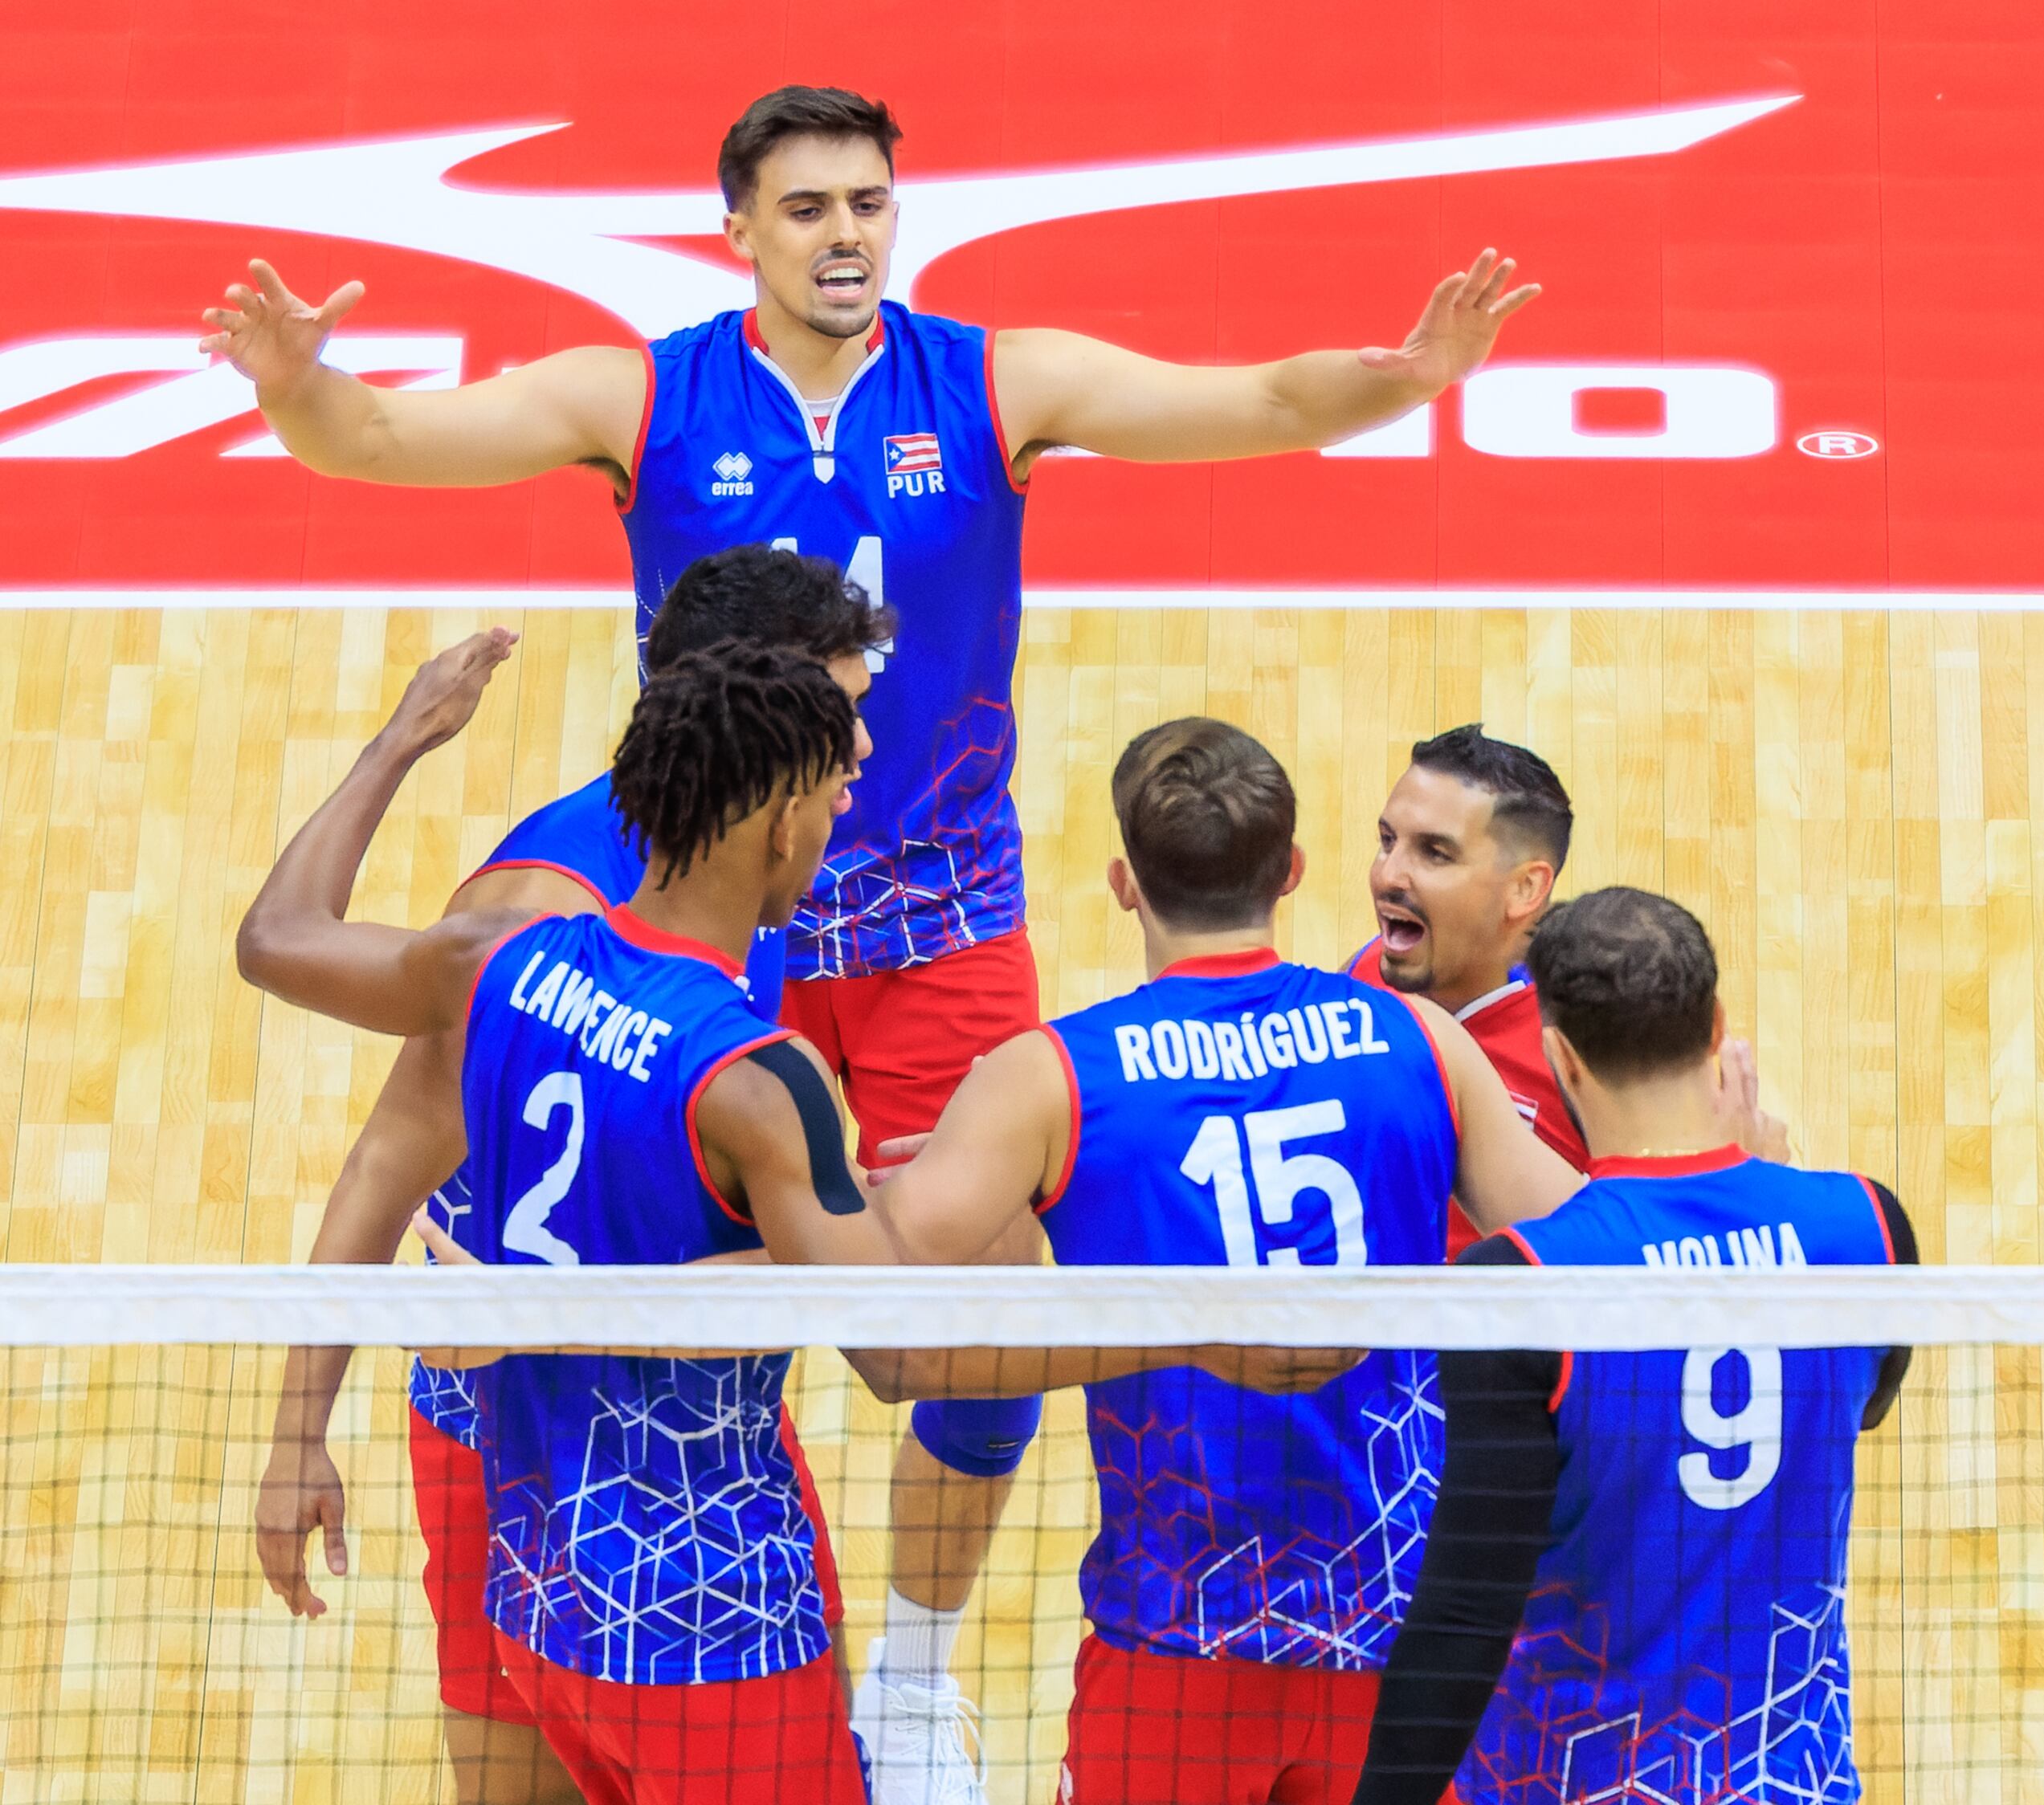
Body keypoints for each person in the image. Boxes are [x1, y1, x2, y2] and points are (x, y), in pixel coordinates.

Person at [201, 84, 1542, 1801]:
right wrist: (301, 389)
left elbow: (1264, 398)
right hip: (709, 917)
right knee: (858, 1282)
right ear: (739, 230)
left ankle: (912, 1657)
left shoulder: (986, 381)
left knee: (959, 1307)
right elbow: (380, 443)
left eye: (870, 204)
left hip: (934, 932)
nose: (847, 234)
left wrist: (1407, 377)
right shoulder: (645, 396)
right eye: (811, 207)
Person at [239, 633, 1361, 1804]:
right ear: (780, 825)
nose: (839, 825)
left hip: (541, 1592)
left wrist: (405, 735)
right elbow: (898, 1354)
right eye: (832, 798)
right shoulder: (759, 1080)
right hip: (713, 1622)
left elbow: (280, 936)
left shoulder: (497, 959)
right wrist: (1196, 1332)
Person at [249, 547, 891, 1805]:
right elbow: (389, 1154)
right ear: (755, 726)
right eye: (839, 716)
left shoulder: (714, 881)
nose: (859, 756)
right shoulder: (543, 908)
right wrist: (293, 1435)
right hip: (509, 1421)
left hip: (687, 1403)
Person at [870, 719, 1585, 1805]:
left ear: (1122, 882)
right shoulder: (1417, 1040)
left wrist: (940, 1173)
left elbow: (902, 1357)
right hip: (1395, 1629)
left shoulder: (1055, 1079)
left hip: (1178, 1639)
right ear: (1291, 873)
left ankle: (904, 1690)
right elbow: (1605, 1264)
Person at [1351, 886, 1917, 1805]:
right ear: (1716, 1027)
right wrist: (1767, 1184)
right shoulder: (1866, 1224)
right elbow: (1858, 1402)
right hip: (1790, 1781)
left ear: (1560, 1058)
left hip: (1568, 1780)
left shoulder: (1524, 1280)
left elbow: (1464, 1611)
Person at [1347, 724, 1786, 1253]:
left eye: (1435, 853)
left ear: (1526, 888)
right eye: (1387, 842)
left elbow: (1675, 1240)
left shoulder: (1598, 1026)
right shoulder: (1369, 969)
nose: (1388, 875)